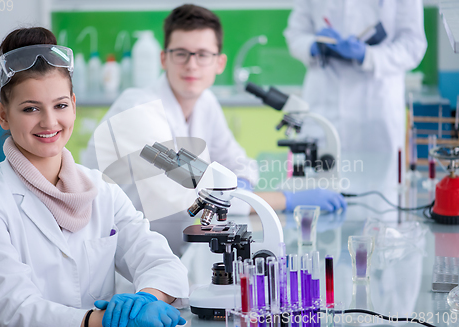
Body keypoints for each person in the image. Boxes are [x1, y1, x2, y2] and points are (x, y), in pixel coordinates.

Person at [0, 27, 189, 327]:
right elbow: (13, 308)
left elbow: (159, 260)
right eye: (30, 109)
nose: (49, 122)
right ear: (3, 115)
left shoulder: (102, 190)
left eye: (60, 105)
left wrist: (144, 300)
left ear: (74, 105)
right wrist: (103, 320)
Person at [82, 4, 346, 256]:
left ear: (219, 63)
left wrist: (239, 184)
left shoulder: (205, 102)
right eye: (181, 53)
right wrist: (286, 199)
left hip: (175, 250)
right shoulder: (137, 111)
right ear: (164, 58)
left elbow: (240, 163)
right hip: (123, 262)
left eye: (203, 54)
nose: (192, 64)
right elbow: (192, 197)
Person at [284, 0, 427, 156]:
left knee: (377, 174)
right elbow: (295, 34)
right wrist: (313, 45)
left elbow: (413, 45)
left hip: (376, 105)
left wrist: (368, 55)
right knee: (318, 174)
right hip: (324, 101)